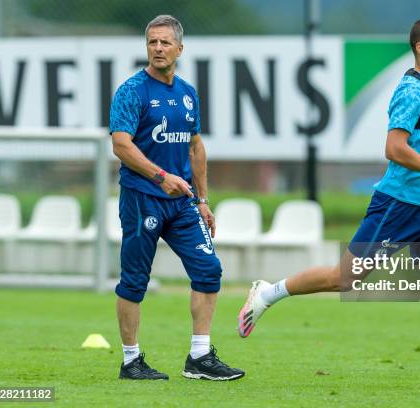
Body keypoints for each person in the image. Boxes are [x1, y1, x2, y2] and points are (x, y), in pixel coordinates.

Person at [238, 18, 420, 395]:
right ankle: (268, 293)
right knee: (345, 278)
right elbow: (394, 149)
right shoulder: (412, 91)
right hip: (397, 207)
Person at [109, 14, 244, 381]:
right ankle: (131, 361)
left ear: (179, 49)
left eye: (165, 42)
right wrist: (160, 176)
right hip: (142, 198)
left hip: (182, 201)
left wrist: (203, 200)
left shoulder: (186, 94)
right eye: (152, 42)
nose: (157, 48)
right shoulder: (132, 91)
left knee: (209, 270)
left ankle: (199, 357)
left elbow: (196, 146)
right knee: (135, 280)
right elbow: (120, 144)